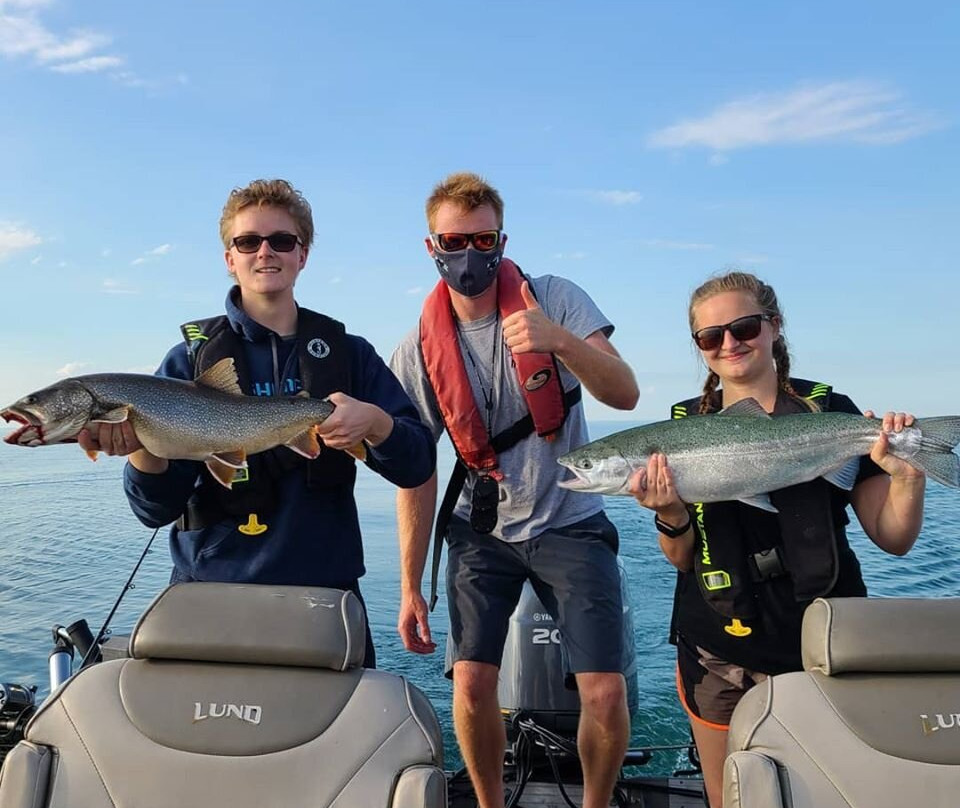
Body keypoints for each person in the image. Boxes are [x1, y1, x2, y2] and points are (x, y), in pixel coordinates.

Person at [78, 178, 435, 667]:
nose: (265, 252)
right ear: (230, 257)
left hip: (323, 592)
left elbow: (416, 463)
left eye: (282, 240)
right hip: (211, 593)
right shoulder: (188, 360)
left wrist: (375, 422)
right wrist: (140, 445)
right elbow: (154, 510)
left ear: (302, 255)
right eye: (248, 241)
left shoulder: (349, 355)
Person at [628, 271, 925, 808]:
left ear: (774, 326)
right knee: (727, 796)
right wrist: (669, 510)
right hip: (718, 642)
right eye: (710, 336)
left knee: (827, 791)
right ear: (698, 347)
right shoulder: (681, 429)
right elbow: (680, 557)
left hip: (818, 637)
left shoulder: (830, 409)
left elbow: (894, 538)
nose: (729, 344)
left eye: (743, 327)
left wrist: (908, 474)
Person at [389, 171, 640, 808]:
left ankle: (595, 802)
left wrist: (557, 341)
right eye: (454, 240)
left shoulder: (553, 297)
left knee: (605, 690)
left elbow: (624, 391)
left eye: (483, 239)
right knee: (472, 683)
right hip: (482, 530)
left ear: (502, 239)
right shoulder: (418, 349)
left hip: (571, 519)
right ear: (431, 246)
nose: (469, 253)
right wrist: (411, 584)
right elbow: (414, 471)